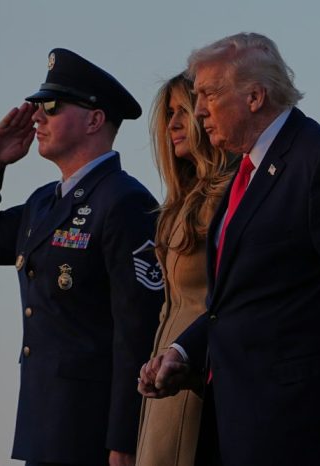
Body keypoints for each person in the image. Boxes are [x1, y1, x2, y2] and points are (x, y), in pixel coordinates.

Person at [138, 33, 320, 466]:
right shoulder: (247, 170)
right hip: (241, 421)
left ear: (255, 97)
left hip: (303, 425)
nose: (199, 111)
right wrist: (183, 352)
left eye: (209, 95)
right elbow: (237, 300)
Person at [0, 48, 164, 466]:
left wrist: (125, 438)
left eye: (51, 107)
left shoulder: (123, 201)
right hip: (46, 426)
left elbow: (138, 329)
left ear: (94, 120)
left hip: (92, 432)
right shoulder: (44, 203)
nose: (37, 117)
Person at [135, 73, 236, 466]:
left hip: (204, 383)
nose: (173, 124)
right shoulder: (180, 203)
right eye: (169, 114)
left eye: (183, 111)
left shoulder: (230, 195)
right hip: (167, 379)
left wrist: (184, 355)